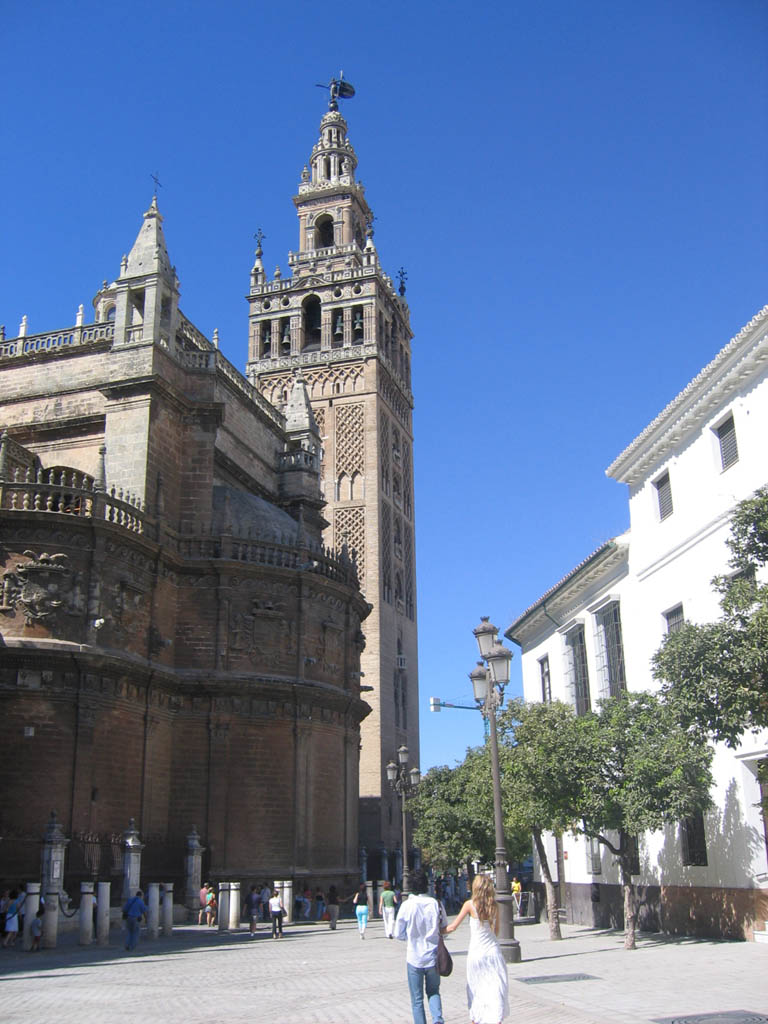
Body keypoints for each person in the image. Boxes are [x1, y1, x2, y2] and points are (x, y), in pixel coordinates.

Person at [443, 874, 509, 1024]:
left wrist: (438, 931)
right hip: (493, 952)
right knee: (495, 990)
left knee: (477, 989)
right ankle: (496, 1020)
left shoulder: (469, 905)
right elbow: (496, 931)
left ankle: (476, 1020)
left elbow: (452, 927)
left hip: (476, 953)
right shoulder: (495, 906)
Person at [394, 869, 447, 1024]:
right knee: (434, 991)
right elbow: (444, 927)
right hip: (433, 956)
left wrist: (409, 937)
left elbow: (398, 933)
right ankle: (437, 1020)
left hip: (414, 957)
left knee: (417, 999)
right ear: (426, 885)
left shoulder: (407, 905)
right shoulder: (435, 903)